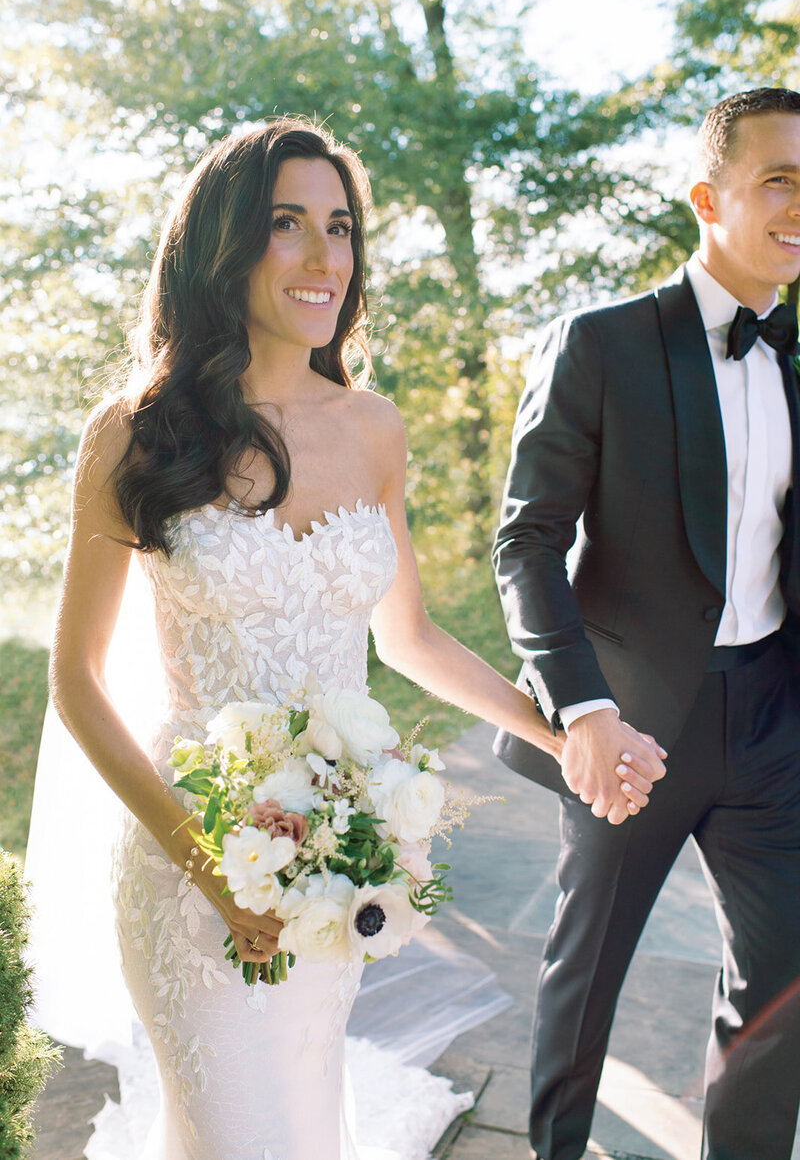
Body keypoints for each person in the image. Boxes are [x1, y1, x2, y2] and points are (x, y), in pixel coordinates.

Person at [33, 117, 657, 1160]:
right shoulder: (136, 432)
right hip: (191, 862)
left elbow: (409, 637)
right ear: (222, 244)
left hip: (333, 868)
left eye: (340, 227)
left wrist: (566, 735)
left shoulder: (373, 427)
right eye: (287, 224)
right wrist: (208, 865)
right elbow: (78, 683)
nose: (324, 256)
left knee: (303, 1123)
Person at [493, 86, 800, 1160]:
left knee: (780, 988)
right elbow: (526, 540)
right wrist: (581, 711)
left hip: (772, 719)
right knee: (586, 977)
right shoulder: (600, 343)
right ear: (706, 198)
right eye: (779, 180)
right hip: (632, 723)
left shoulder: (793, 354)